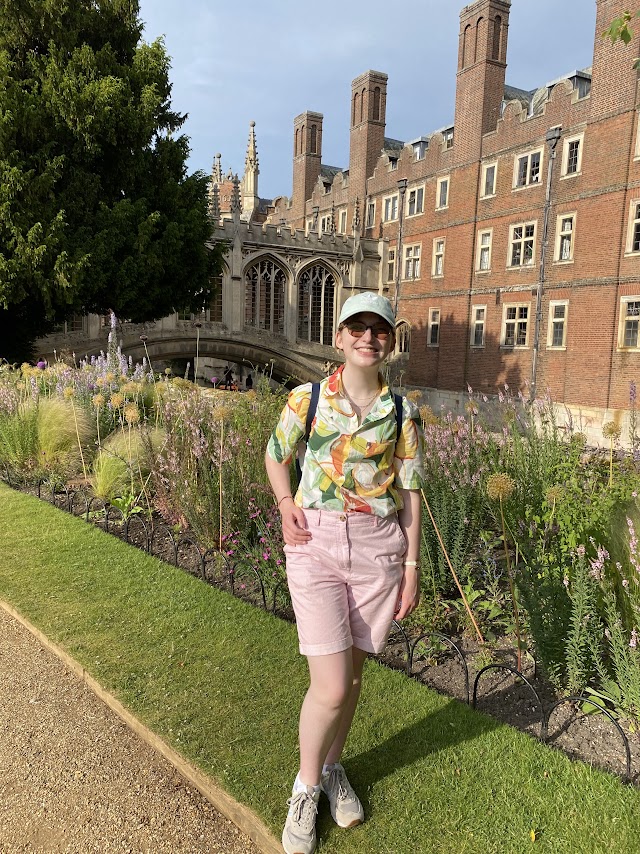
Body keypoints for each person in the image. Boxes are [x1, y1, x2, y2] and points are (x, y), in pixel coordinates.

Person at [264, 292, 424, 854]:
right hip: (317, 544)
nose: (367, 338)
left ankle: (334, 770)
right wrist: (285, 502)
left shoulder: (404, 412)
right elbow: (276, 453)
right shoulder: (306, 399)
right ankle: (306, 787)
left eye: (378, 330)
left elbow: (411, 493)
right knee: (329, 685)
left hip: (380, 550)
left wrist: (410, 565)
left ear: (390, 341)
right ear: (339, 338)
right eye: (356, 328)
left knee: (352, 679)